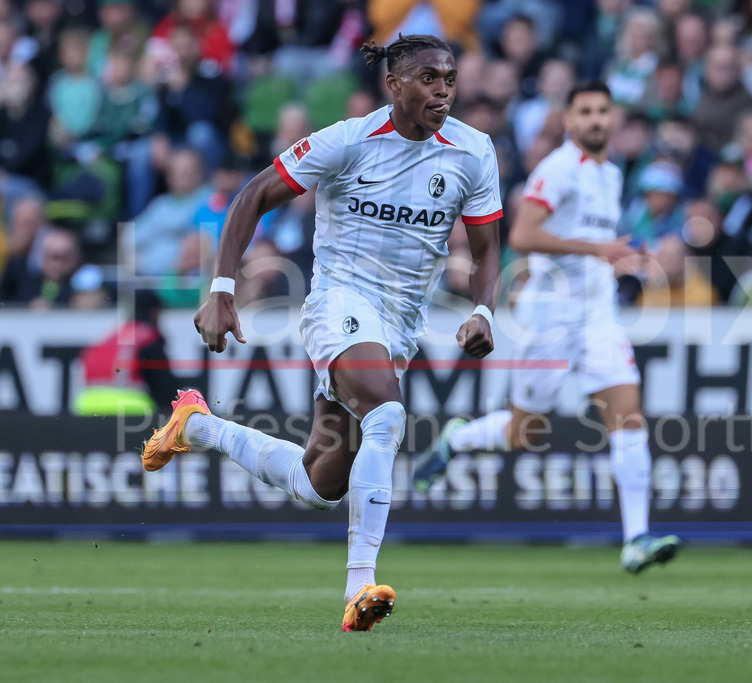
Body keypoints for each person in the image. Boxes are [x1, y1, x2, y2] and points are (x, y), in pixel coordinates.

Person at [140, 34, 503, 632]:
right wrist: (222, 292)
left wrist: (484, 312)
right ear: (394, 85)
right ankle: (360, 587)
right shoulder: (348, 141)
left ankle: (197, 426)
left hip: (401, 323)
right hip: (339, 301)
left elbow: (488, 249)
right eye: (429, 78)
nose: (444, 90)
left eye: (449, 78)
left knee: (320, 484)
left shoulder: (473, 151)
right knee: (387, 415)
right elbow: (254, 194)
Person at [413, 82, 681, 574]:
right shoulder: (559, 169)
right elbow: (523, 234)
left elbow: (595, 241)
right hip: (550, 318)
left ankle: (637, 538)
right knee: (523, 434)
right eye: (586, 112)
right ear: (569, 120)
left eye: (603, 111)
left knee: (628, 418)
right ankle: (460, 439)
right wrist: (598, 251)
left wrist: (623, 258)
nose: (596, 119)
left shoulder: (612, 175)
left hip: (598, 314)